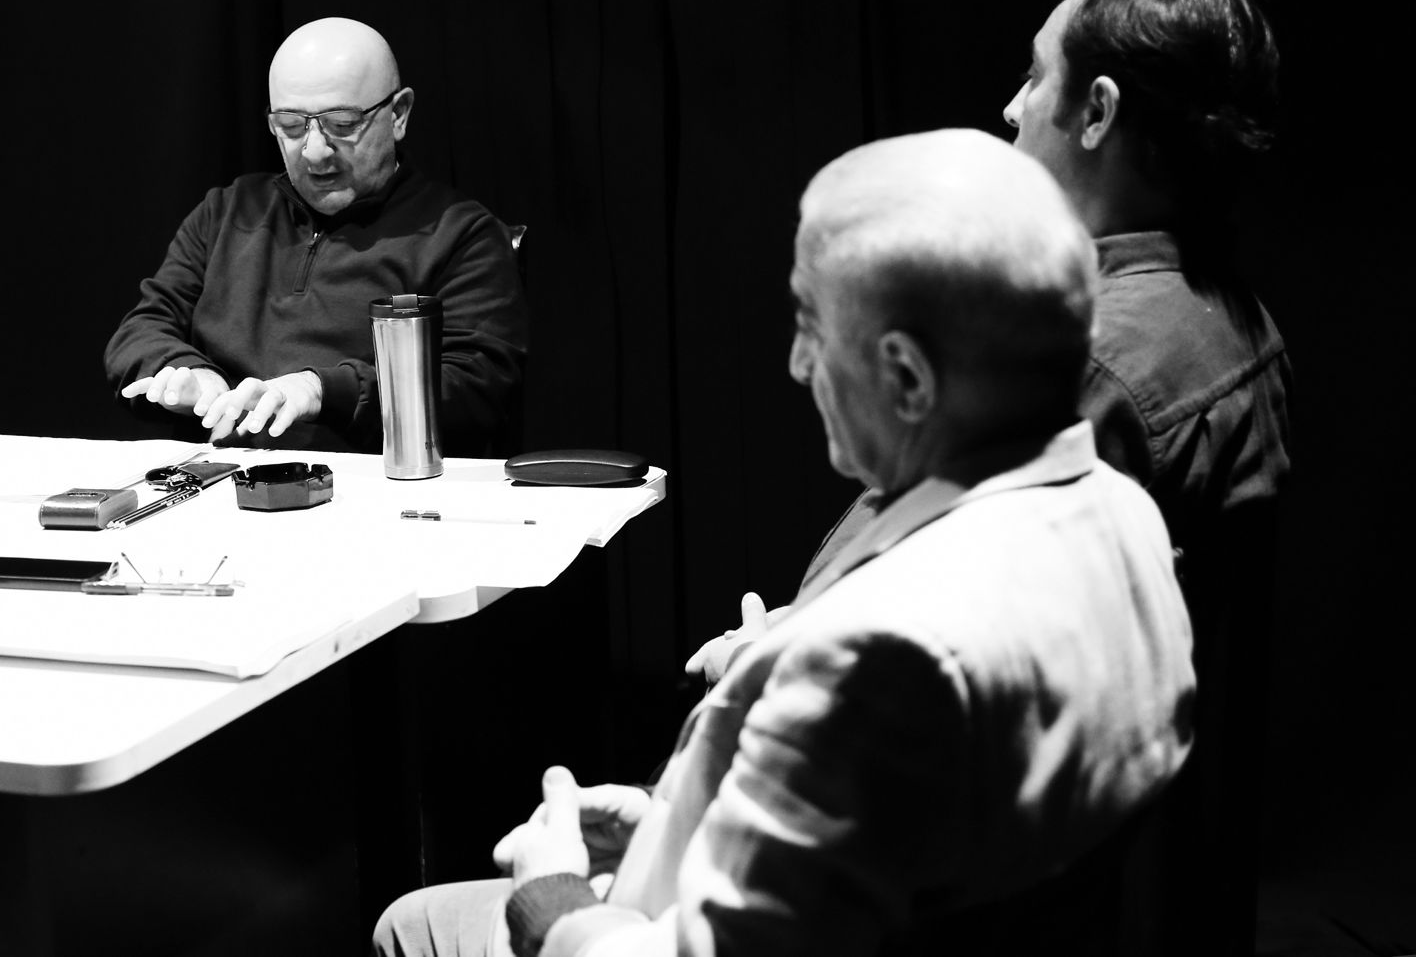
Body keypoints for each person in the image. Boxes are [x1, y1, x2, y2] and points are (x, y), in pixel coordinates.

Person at [372, 129, 1197, 957]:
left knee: (412, 923)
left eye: (812, 323)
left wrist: (550, 896)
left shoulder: (878, 661)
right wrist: (676, 822)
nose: (800, 364)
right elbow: (914, 839)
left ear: (908, 378)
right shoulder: (1127, 519)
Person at [690, 0, 1291, 955]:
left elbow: (936, 620)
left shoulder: (1089, 365)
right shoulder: (1231, 321)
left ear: (1096, 111)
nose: (1011, 109)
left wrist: (780, 652)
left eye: (1034, 76)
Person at [105, 18, 527, 453]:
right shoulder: (227, 211)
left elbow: (478, 385)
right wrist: (188, 372)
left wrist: (321, 391)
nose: (314, 151)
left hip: (372, 479)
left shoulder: (460, 234)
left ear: (398, 114)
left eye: (342, 124)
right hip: (219, 471)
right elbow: (140, 331)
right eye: (290, 125)